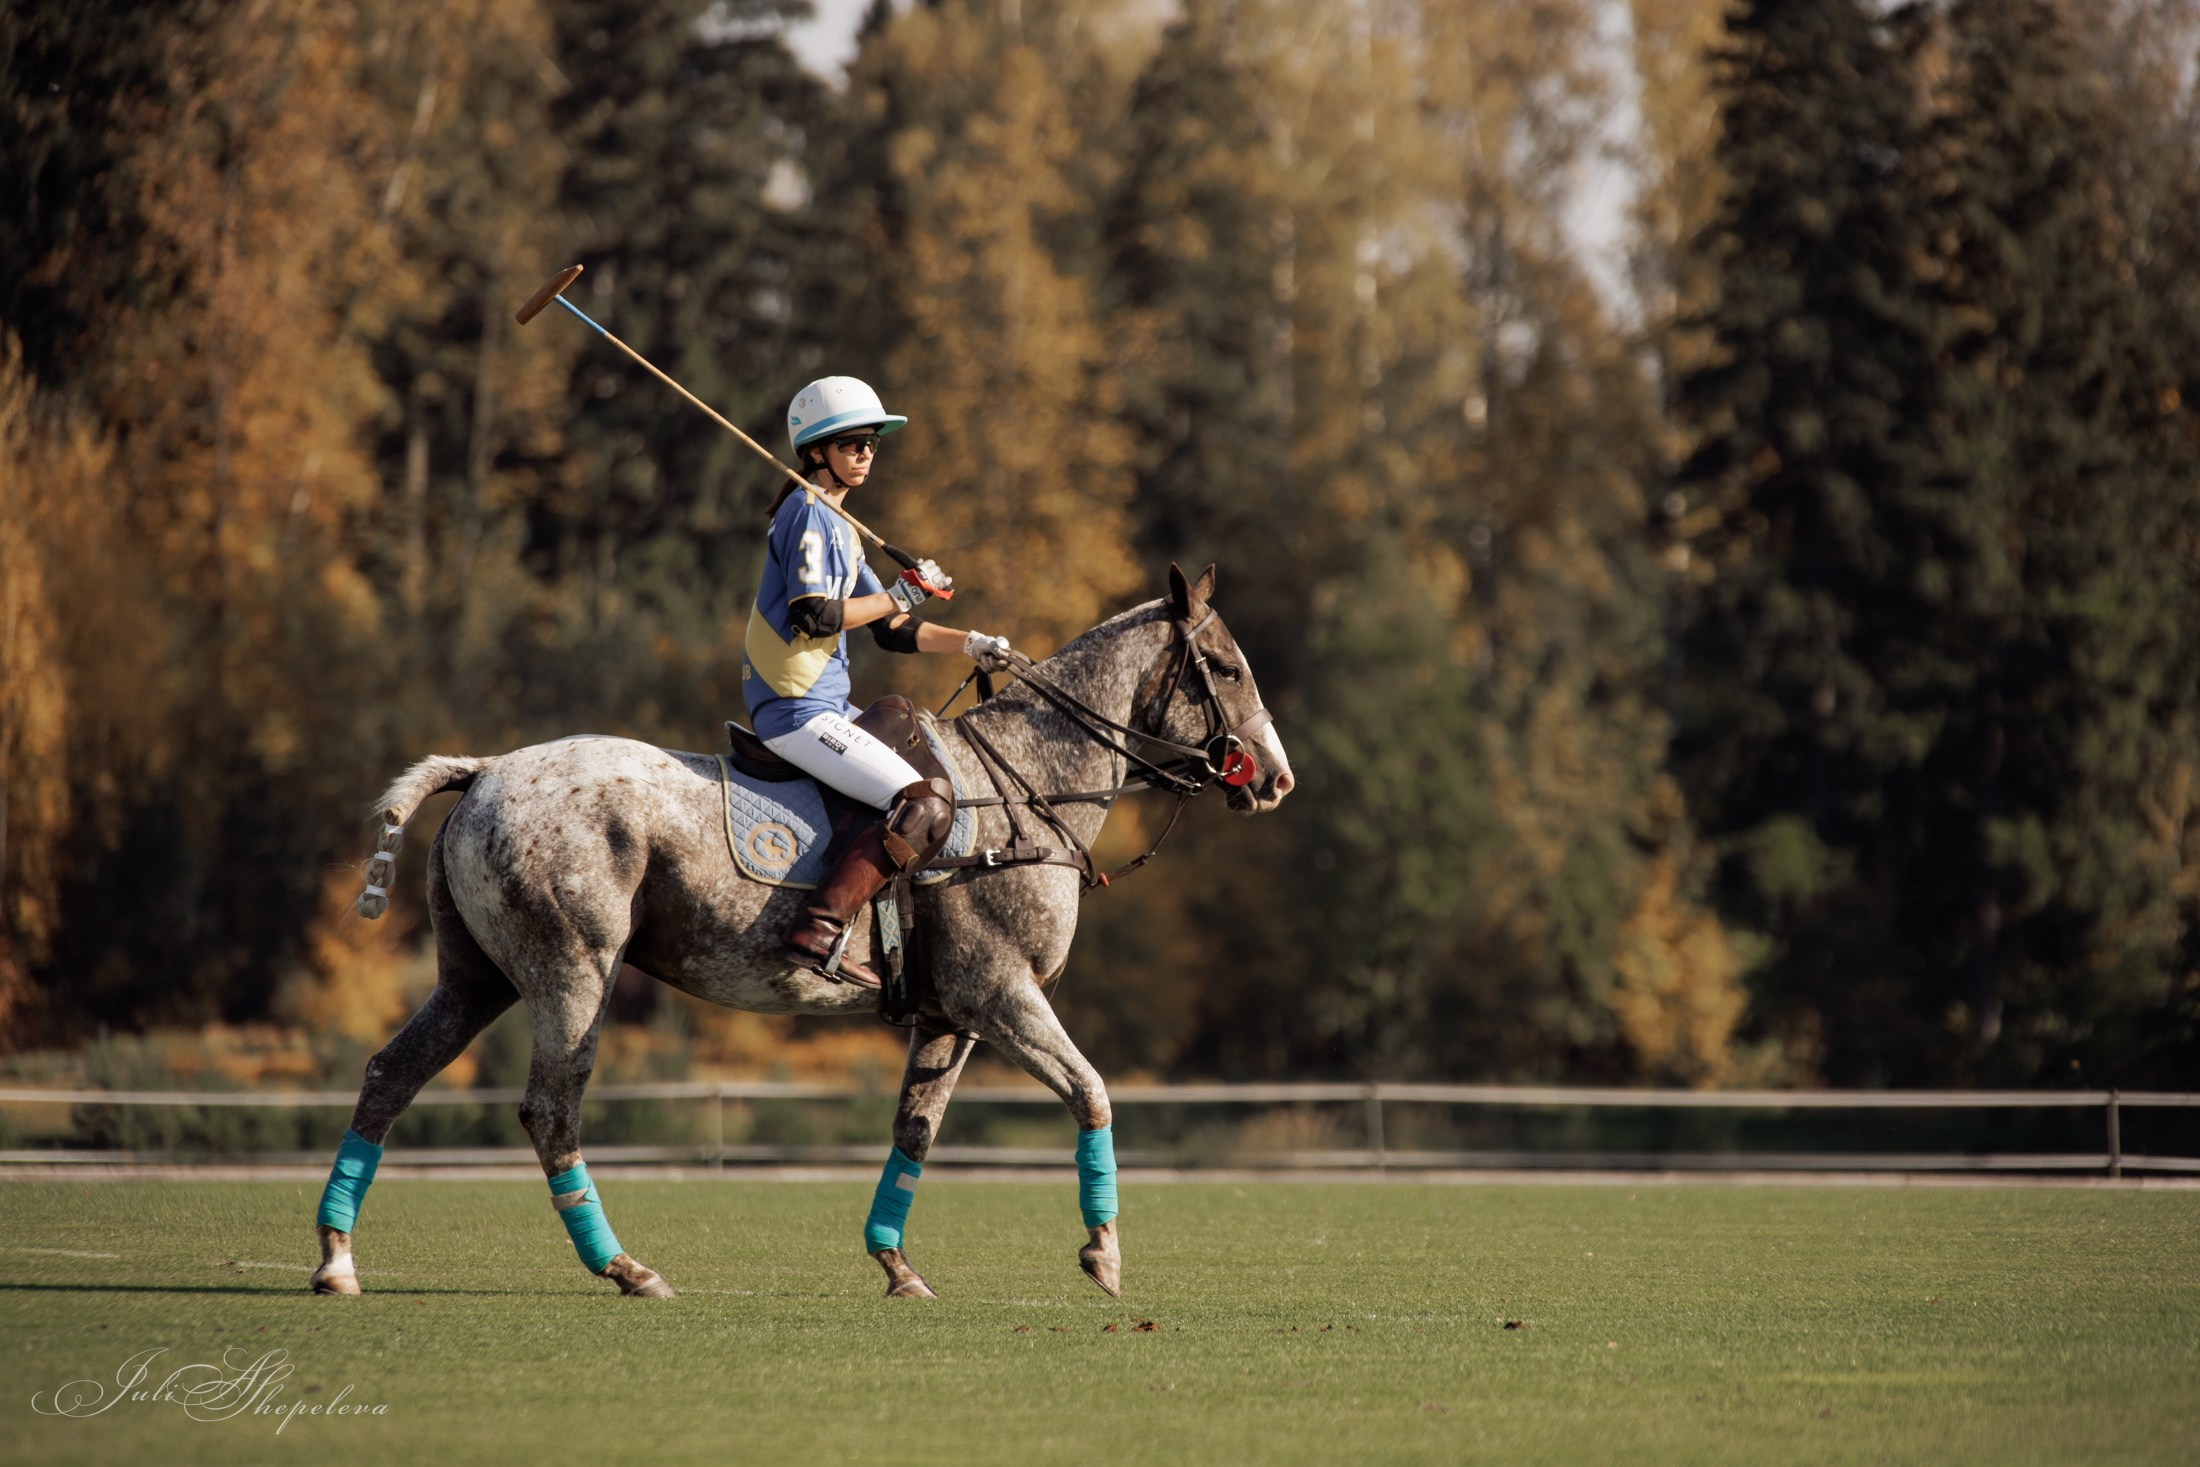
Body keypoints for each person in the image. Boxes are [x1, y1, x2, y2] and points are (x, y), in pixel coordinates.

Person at [744, 375, 1010, 973]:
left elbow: (890, 627)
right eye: (853, 442)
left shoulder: (839, 525)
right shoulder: (807, 516)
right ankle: (819, 932)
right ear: (816, 451)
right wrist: (901, 594)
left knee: (898, 716)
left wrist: (970, 642)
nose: (866, 453)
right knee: (923, 803)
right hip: (795, 710)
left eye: (872, 443)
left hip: (825, 707)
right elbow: (814, 616)